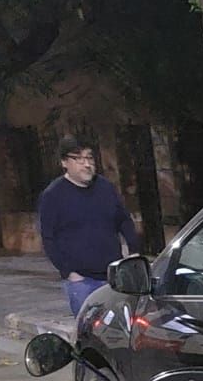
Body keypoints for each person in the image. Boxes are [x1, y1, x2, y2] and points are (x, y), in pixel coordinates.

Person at [37, 134, 141, 319]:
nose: (86, 164)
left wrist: (133, 251)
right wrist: (69, 272)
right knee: (89, 335)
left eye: (89, 158)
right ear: (64, 162)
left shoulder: (105, 188)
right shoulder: (53, 196)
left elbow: (123, 219)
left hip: (114, 277)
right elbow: (48, 238)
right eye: (78, 159)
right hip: (82, 282)